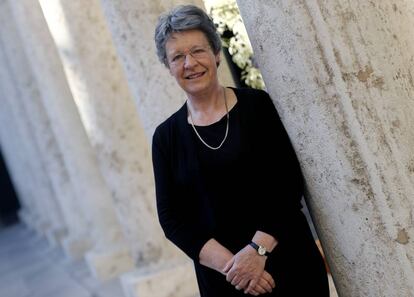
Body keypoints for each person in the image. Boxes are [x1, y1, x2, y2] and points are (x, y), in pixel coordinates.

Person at [152, 4, 329, 296]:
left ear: (216, 53)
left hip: (290, 266)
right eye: (177, 56)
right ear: (168, 67)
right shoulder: (165, 138)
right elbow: (172, 219)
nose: (189, 63)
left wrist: (256, 252)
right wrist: (235, 268)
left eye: (197, 50)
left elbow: (288, 183)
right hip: (226, 283)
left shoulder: (257, 106)